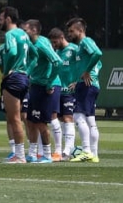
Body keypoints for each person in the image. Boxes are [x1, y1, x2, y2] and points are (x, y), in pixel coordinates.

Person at [23, 19, 62, 164]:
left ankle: (47, 154)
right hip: (36, 84)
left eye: (26, 30)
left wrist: (50, 81)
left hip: (47, 86)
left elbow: (56, 61)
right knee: (30, 120)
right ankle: (32, 154)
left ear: (34, 30)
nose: (24, 33)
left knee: (42, 122)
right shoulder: (33, 43)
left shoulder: (40, 44)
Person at [0, 7, 33, 163]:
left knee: (14, 118)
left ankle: (19, 155)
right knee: (19, 117)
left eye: (1, 18)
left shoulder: (11, 34)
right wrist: (26, 70)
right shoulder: (24, 34)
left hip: (14, 78)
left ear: (8, 19)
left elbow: (12, 52)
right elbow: (35, 54)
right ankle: (22, 154)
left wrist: (7, 71)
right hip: (24, 77)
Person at [66, 17, 103, 163]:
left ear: (80, 30)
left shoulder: (86, 42)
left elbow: (98, 54)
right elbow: (98, 63)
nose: (70, 34)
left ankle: (86, 150)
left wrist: (87, 73)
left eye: (71, 31)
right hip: (88, 84)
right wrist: (79, 80)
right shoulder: (83, 46)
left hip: (87, 84)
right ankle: (94, 154)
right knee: (90, 120)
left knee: (78, 116)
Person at [49, 27, 78, 160]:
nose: (54, 45)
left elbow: (83, 64)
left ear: (62, 38)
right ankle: (61, 149)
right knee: (59, 119)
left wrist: (77, 80)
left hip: (68, 90)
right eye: (52, 43)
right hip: (57, 89)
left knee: (67, 117)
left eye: (55, 42)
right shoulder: (56, 52)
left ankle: (67, 150)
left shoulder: (73, 49)